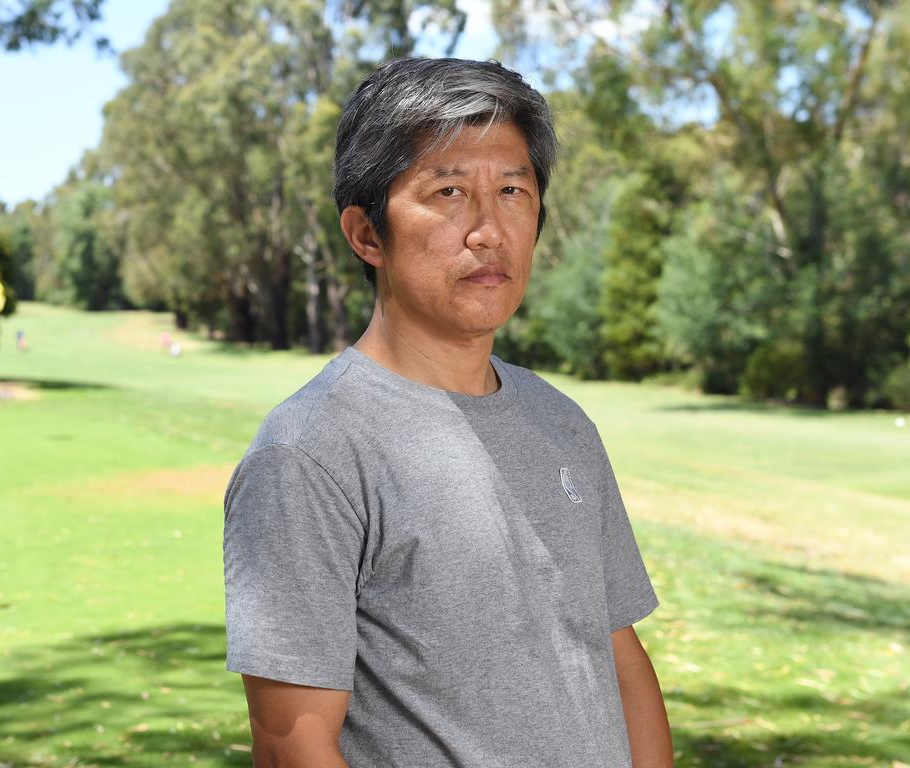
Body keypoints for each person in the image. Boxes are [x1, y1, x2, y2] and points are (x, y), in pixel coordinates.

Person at [223, 57, 673, 768]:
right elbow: (292, 744)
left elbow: (616, 655)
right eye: (450, 191)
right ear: (367, 235)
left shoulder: (563, 424)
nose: (489, 231)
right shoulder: (311, 453)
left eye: (513, 190)